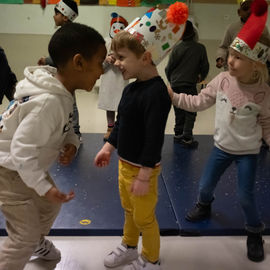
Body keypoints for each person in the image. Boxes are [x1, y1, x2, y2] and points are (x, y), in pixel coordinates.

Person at [168, 0, 270, 263]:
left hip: (248, 152)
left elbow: (267, 122)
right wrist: (175, 97)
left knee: (246, 196)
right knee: (205, 186)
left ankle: (254, 231)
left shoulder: (262, 92)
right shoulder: (222, 80)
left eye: (238, 58)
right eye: (231, 55)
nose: (230, 61)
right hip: (221, 148)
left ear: (256, 65)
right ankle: (204, 205)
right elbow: (198, 101)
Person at [0, 22, 106, 270]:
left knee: (51, 204)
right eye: (100, 62)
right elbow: (21, 150)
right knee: (22, 238)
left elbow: (66, 127)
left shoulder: (60, 92)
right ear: (79, 63)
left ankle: (36, 241)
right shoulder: (48, 102)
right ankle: (29, 242)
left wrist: (70, 143)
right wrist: (41, 186)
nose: (102, 71)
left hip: (25, 165)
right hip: (8, 170)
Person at [95, 3, 188, 269]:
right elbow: (122, 125)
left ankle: (151, 259)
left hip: (143, 170)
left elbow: (153, 138)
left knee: (145, 218)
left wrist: (146, 174)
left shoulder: (157, 93)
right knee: (129, 212)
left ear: (146, 57)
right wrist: (109, 148)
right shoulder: (131, 89)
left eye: (122, 57)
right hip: (125, 165)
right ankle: (129, 246)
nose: (116, 62)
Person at [37, 0, 82, 142]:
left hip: (67, 76)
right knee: (62, 102)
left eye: (56, 13)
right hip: (62, 75)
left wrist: (47, 61)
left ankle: (75, 132)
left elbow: (63, 56)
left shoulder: (67, 35)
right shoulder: (67, 33)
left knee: (70, 103)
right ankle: (64, 131)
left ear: (65, 17)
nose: (53, 16)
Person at [165, 20, 209, 148]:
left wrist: (172, 80)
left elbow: (168, 68)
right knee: (190, 110)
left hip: (176, 85)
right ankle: (187, 138)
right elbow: (205, 67)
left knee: (179, 110)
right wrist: (201, 77)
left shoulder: (176, 48)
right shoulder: (200, 48)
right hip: (190, 84)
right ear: (194, 33)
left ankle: (178, 134)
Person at [98, 12, 129, 141]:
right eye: (115, 26)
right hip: (108, 77)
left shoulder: (127, 43)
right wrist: (106, 59)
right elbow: (99, 60)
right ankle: (110, 128)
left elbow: (129, 60)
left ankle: (120, 129)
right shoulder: (105, 41)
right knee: (109, 103)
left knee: (121, 104)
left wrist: (120, 60)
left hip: (121, 78)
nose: (116, 30)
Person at [216, 0, 270, 70]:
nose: (249, 11)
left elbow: (267, 49)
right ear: (239, 12)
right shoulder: (232, 28)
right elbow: (223, 47)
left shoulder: (263, 29)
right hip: (235, 70)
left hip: (255, 71)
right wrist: (220, 58)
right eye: (245, 9)